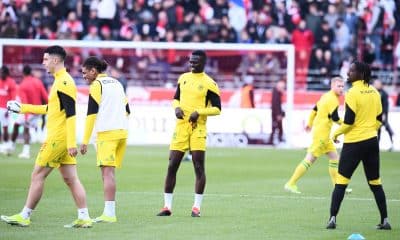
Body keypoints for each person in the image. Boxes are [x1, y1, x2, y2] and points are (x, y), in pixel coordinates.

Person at [1, 45, 92, 228]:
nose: (43, 63)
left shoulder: (64, 82)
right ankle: (84, 217)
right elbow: (51, 109)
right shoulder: (60, 80)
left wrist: (71, 142)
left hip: (58, 140)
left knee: (37, 175)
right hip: (63, 139)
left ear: (55, 60)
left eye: (45, 59)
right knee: (71, 179)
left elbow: (71, 113)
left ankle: (25, 215)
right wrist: (23, 107)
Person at [326, 61, 391, 230]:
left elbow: (348, 122)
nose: (348, 73)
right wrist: (370, 131)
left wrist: (335, 133)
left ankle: (332, 219)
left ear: (361, 74)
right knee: (375, 182)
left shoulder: (352, 93)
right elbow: (379, 120)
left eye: (352, 71)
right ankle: (385, 220)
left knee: (341, 181)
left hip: (354, 143)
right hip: (371, 142)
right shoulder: (375, 92)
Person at [157, 50, 221, 217]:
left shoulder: (209, 83)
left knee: (198, 167)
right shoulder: (183, 78)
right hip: (181, 127)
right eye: (190, 61)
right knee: (172, 165)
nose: (192, 64)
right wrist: (176, 108)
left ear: (203, 63)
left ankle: (196, 208)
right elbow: (175, 98)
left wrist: (199, 112)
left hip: (197, 129)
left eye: (195, 62)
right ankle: (167, 207)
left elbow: (217, 109)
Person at [80, 56, 130, 223]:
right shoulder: (117, 83)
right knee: (109, 173)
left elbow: (91, 115)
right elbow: (128, 109)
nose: (83, 76)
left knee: (107, 174)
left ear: (94, 71)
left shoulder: (97, 85)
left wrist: (85, 140)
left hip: (107, 135)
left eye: (85, 72)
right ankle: (109, 212)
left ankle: (109, 214)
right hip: (122, 133)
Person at [284, 77, 347, 194]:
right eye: (339, 86)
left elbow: (314, 110)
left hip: (323, 134)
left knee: (334, 158)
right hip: (322, 135)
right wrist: (347, 124)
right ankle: (291, 183)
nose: (341, 89)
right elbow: (335, 118)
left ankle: (337, 188)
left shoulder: (325, 96)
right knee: (309, 159)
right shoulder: (333, 100)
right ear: (332, 86)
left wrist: (309, 123)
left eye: (343, 86)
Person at [10, 65, 48, 158]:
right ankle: (12, 146)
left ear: (23, 73)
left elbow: (24, 101)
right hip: (39, 110)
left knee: (25, 129)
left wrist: (26, 115)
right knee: (17, 125)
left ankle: (24, 151)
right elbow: (45, 97)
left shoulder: (23, 85)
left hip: (28, 111)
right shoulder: (38, 82)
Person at [373, 79, 394, 151]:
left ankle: (392, 143)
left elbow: (385, 106)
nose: (375, 85)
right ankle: (376, 145)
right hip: (375, 116)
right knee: (377, 131)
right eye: (375, 83)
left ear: (380, 84)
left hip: (382, 115)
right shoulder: (373, 92)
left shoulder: (384, 94)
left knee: (386, 128)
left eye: (377, 84)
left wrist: (384, 115)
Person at [0, 66, 16, 155]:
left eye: (2, 73)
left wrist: (8, 109)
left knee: (5, 127)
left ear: (6, 73)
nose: (1, 74)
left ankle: (7, 144)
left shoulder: (11, 82)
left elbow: (13, 97)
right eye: (0, 72)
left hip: (6, 109)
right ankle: (4, 144)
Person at [267, 80, 285, 145]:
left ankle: (273, 140)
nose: (283, 89)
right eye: (282, 87)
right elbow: (276, 104)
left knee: (276, 127)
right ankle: (275, 140)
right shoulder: (276, 94)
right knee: (276, 127)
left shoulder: (277, 93)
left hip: (277, 114)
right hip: (276, 114)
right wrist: (278, 114)